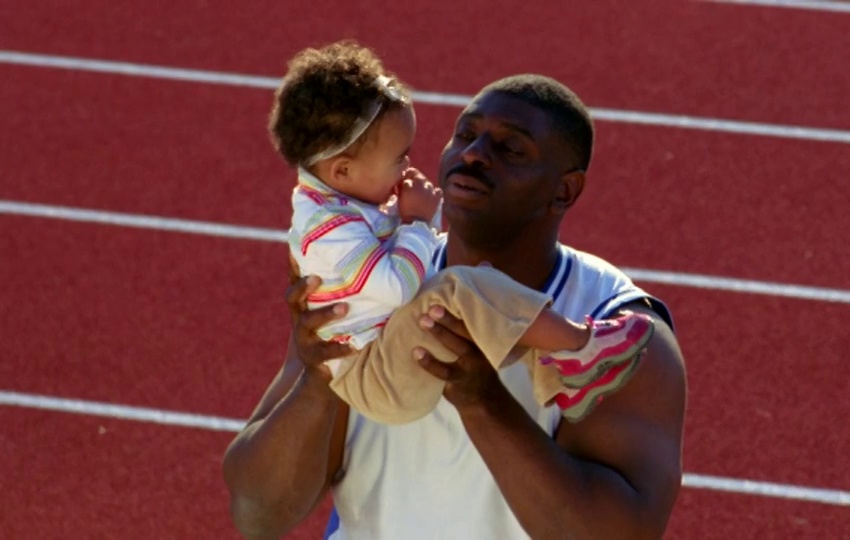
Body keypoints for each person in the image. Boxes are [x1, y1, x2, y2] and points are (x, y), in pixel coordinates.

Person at [223, 69, 687, 539]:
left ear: (564, 190)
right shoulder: (371, 280)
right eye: (465, 134)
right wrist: (319, 378)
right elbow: (258, 514)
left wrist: (482, 400)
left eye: (509, 149)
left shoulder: (617, 327)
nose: (473, 155)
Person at [271, 40, 656, 425]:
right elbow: (397, 288)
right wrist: (417, 223)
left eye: (510, 147)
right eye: (398, 157)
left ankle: (563, 376)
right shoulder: (328, 229)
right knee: (460, 288)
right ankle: (584, 346)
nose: (407, 166)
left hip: (381, 357)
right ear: (342, 171)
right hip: (375, 375)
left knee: (479, 290)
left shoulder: (336, 203)